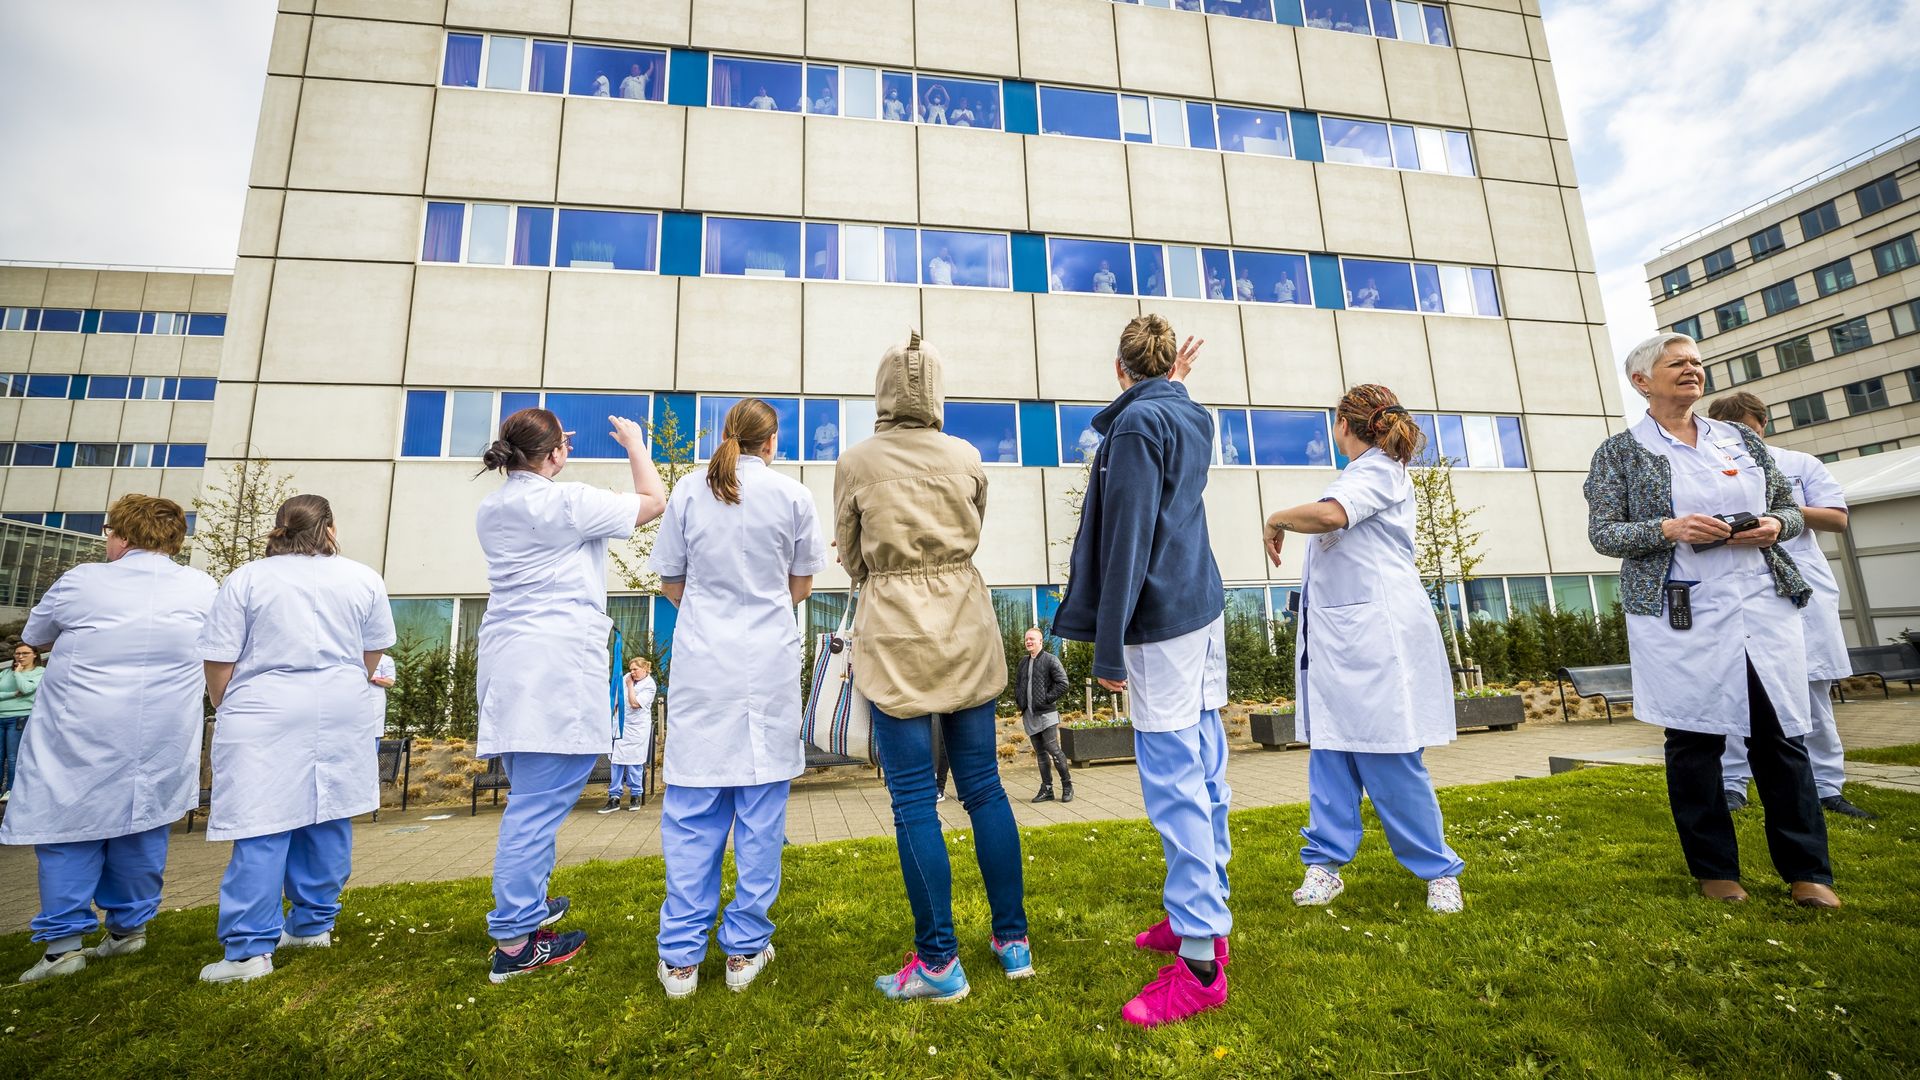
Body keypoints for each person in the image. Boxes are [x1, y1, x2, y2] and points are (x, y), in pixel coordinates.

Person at [1584, 333, 1838, 908]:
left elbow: (1786, 509)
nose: (1692, 370)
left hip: (1761, 604)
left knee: (1782, 736)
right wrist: (1669, 529)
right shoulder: (1619, 453)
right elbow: (1604, 534)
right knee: (1694, 739)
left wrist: (1775, 525)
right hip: (1682, 611)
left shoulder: (1739, 438)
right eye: (1677, 364)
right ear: (1642, 381)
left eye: (1697, 363)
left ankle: (1808, 872)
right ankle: (1715, 869)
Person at [835, 332, 1031, 1003]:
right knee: (985, 787)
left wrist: (887, 573)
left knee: (914, 797)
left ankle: (939, 960)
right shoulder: (968, 456)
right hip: (966, 620)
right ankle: (1013, 940)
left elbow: (852, 554)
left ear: (884, 392)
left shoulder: (857, 462)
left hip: (894, 631)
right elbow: (976, 523)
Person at [1053, 315, 1229, 1028]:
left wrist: (1108, 647)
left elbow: (1126, 539)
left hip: (1159, 621)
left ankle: (1198, 962)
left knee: (1175, 782)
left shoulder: (1135, 428)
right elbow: (1165, 413)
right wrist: (1170, 386)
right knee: (1206, 764)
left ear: (1119, 368)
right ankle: (1202, 915)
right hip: (1201, 607)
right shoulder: (1190, 416)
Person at [475, 407, 666, 982]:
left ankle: (527, 907)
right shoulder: (565, 502)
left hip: (512, 663)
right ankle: (515, 941)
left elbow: (538, 477)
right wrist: (634, 443)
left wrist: (549, 452)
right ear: (554, 454)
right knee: (534, 810)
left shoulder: (495, 505)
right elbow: (653, 501)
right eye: (558, 448)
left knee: (532, 797)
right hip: (553, 663)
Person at [1263, 385, 1466, 915]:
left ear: (1343, 425)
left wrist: (1276, 517)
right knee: (1330, 755)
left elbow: (1331, 517)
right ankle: (1324, 865)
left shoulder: (1379, 470)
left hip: (1378, 641)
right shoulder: (1358, 474)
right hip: (1337, 642)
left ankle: (1438, 871)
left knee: (1392, 757)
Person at [650, 398, 827, 998]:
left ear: (729, 435)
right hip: (768, 661)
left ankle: (679, 958)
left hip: (704, 664)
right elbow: (801, 585)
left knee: (693, 813)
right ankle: (744, 948)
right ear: (770, 440)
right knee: (759, 814)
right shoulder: (793, 495)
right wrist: (760, 605)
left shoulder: (686, 492)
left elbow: (670, 579)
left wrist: (708, 610)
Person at [1, 496, 215, 983]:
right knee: (142, 827)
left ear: (119, 534)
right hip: (160, 734)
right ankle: (127, 931)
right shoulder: (203, 586)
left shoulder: (83, 580)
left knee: (65, 833)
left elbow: (37, 635)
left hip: (81, 732)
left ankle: (63, 946)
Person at [197, 495, 396, 984]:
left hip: (265, 707)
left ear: (279, 529)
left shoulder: (246, 579)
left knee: (263, 823)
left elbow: (220, 660)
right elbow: (371, 656)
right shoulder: (363, 578)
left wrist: (230, 706)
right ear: (329, 528)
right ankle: (311, 924)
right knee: (327, 815)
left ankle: (247, 952)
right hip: (340, 706)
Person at [1707, 393, 1872, 820]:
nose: (1739, 437)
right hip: (1738, 588)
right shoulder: (1707, 467)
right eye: (1728, 430)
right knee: (1736, 687)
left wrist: (1779, 511)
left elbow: (1837, 518)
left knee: (1812, 688)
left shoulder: (1800, 464)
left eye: (1746, 427)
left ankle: (1826, 787)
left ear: (1762, 423)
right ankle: (1732, 784)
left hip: (1802, 589)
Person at [1015, 628, 1072, 803]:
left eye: (1032, 639)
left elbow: (1063, 683)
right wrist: (1020, 702)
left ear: (1041, 641)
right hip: (1030, 715)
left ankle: (1067, 786)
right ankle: (1047, 789)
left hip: (1046, 714)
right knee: (1040, 754)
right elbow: (1018, 685)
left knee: (1053, 749)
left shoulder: (1050, 660)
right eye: (1026, 639)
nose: (1028, 642)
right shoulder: (1023, 662)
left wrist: (1046, 698)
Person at [603, 656, 656, 813]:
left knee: (634, 762)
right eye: (631, 669)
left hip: (637, 728)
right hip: (620, 726)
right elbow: (617, 699)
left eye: (635, 669)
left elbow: (634, 704)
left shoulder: (649, 685)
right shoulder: (626, 677)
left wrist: (630, 686)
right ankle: (614, 797)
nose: (632, 672)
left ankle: (635, 795)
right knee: (617, 761)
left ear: (645, 668)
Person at [0, 642, 42, 800]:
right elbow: (17, 692)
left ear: (34, 655)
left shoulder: (40, 672)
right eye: (18, 653)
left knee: (12, 756)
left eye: (25, 653)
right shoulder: (5, 673)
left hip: (19, 717)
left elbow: (26, 689)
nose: (21, 656)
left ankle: (11, 790)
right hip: (0, 716)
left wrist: (18, 672)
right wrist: (11, 694)